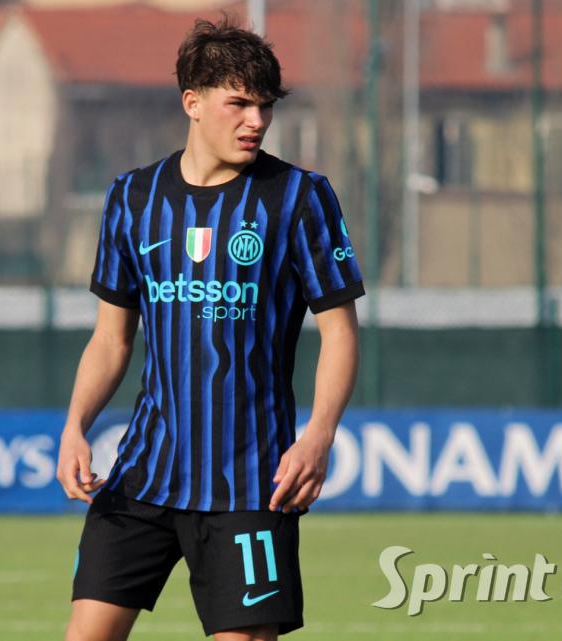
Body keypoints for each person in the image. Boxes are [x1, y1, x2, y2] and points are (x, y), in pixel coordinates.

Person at [55, 15, 363, 641]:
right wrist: (74, 426)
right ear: (192, 103)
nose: (256, 121)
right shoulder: (132, 199)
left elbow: (340, 333)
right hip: (142, 475)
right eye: (239, 104)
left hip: (251, 484)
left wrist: (318, 437)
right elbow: (111, 338)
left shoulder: (298, 197)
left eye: (265, 106)